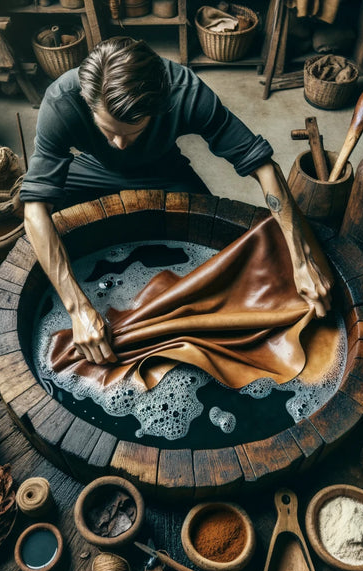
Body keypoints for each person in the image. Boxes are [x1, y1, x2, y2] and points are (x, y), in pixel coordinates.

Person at [20, 36, 332, 365]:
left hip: (164, 172)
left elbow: (262, 166)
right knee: (40, 229)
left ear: (158, 105)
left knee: (217, 256)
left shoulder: (185, 92)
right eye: (108, 130)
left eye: (131, 131)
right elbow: (34, 210)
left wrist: (302, 260)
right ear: (86, 102)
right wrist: (78, 308)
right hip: (90, 172)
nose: (120, 144)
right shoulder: (62, 100)